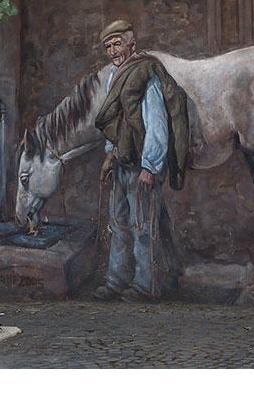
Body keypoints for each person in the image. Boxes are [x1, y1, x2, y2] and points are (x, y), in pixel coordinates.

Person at [92, 19, 188, 302]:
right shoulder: (114, 75)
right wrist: (110, 154)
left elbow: (157, 123)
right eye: (108, 46)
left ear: (131, 44)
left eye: (117, 43)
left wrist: (150, 166)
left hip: (141, 166)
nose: (112, 50)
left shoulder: (146, 73)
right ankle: (116, 281)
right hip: (121, 160)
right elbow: (117, 121)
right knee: (118, 223)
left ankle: (145, 285)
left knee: (142, 225)